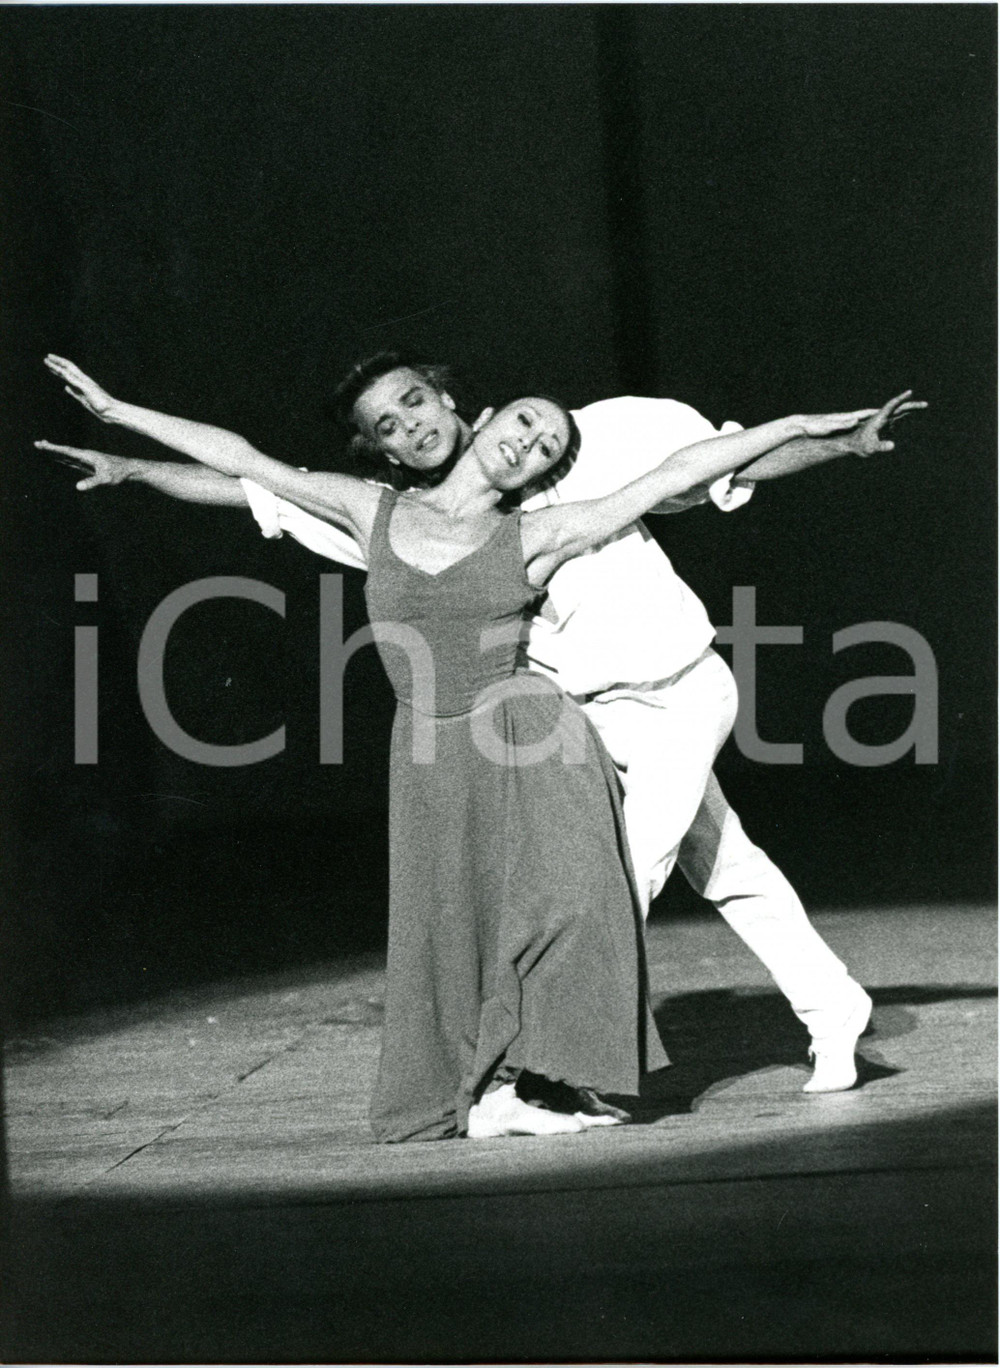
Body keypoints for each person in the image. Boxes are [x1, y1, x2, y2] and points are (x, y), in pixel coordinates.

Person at [38, 358, 884, 1135]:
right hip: (577, 718)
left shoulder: (570, 440)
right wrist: (135, 459)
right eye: (391, 425)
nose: (416, 426)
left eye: (417, 402)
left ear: (459, 404)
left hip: (677, 691)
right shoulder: (391, 516)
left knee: (609, 880)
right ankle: (833, 1005)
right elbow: (255, 479)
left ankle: (536, 1073)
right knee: (723, 860)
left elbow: (708, 464)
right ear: (385, 452)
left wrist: (832, 440)